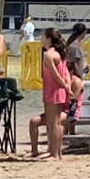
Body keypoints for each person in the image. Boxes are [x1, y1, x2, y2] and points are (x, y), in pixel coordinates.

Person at [30, 28, 74, 160]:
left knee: (52, 123)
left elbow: (56, 75)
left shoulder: (48, 55)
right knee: (56, 123)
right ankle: (56, 152)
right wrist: (67, 87)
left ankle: (55, 153)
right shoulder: (60, 54)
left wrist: (66, 88)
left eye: (43, 37)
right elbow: (66, 73)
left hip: (53, 91)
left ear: (49, 39)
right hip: (58, 90)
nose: (41, 40)